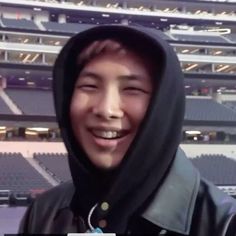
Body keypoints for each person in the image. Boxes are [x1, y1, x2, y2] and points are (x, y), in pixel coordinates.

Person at [18, 25, 236, 235]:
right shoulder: (44, 213)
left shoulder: (225, 224)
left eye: (132, 89)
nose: (106, 109)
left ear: (163, 106)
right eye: (89, 86)